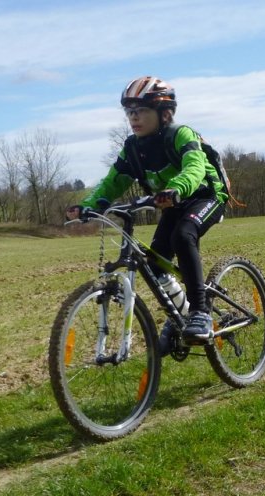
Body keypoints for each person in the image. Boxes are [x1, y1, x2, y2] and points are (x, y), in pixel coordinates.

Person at [66, 76, 227, 355]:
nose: (134, 117)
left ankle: (200, 312)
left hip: (205, 196)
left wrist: (175, 188)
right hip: (171, 204)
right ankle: (181, 317)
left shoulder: (181, 135)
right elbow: (112, 183)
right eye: (130, 112)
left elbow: (194, 168)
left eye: (141, 111)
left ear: (164, 114)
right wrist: (90, 205)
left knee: (183, 235)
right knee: (155, 265)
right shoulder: (133, 148)